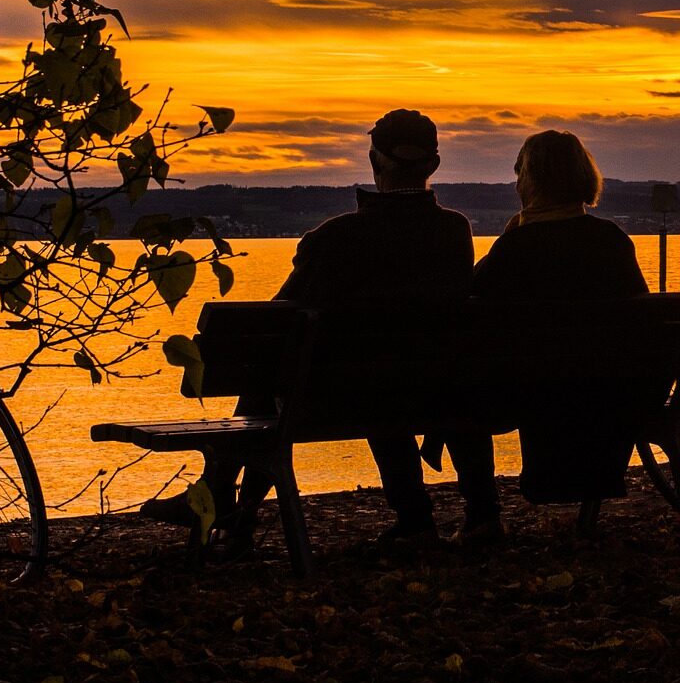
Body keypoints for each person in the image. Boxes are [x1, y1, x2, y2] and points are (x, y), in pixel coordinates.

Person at [143, 109, 498, 552]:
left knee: (272, 370)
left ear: (374, 160)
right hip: (436, 390)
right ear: (434, 164)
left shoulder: (338, 236)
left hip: (342, 397)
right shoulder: (454, 231)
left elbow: (275, 321)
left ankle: (228, 507)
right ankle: (421, 519)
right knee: (333, 375)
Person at [472, 130, 649, 511]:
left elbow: (474, 300)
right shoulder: (613, 239)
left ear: (533, 179)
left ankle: (482, 515)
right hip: (614, 390)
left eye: (519, 173)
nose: (516, 183)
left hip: (539, 392)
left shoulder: (517, 247)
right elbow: (642, 316)